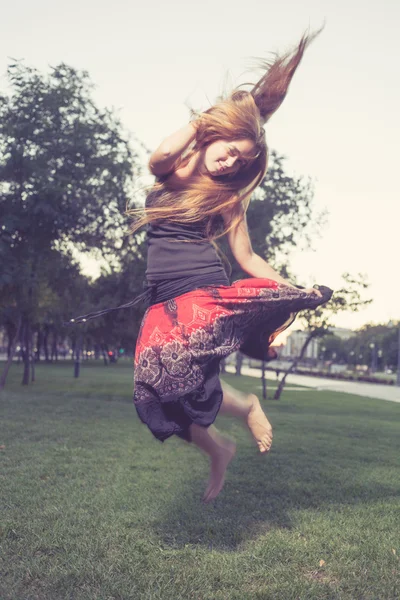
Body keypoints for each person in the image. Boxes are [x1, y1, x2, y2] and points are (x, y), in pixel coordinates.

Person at [73, 30, 332, 503]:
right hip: (162, 296)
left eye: (240, 162)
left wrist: (290, 288)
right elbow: (159, 157)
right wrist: (204, 123)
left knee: (178, 372)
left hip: (200, 288)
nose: (230, 162)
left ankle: (249, 408)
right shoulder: (177, 164)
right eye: (230, 149)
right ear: (216, 133)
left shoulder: (229, 199)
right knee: (154, 391)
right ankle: (218, 447)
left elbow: (247, 258)